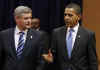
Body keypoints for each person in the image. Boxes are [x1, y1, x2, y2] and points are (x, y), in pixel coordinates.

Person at [43, 3, 98, 70]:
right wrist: (50, 60)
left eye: (70, 15)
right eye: (65, 15)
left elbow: (93, 62)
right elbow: (53, 56)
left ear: (79, 17)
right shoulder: (56, 33)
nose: (66, 18)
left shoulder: (88, 35)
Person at [0, 6, 46, 70]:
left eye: (30, 18)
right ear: (17, 19)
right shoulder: (4, 35)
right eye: (26, 18)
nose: (29, 21)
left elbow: (41, 61)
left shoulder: (39, 36)